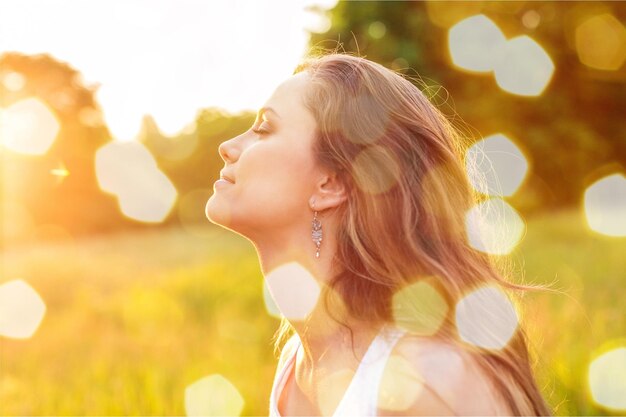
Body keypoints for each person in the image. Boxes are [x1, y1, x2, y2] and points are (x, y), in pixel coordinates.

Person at [205, 50, 553, 416]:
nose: (227, 147)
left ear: (330, 184)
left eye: (263, 128)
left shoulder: (430, 383)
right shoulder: (296, 362)